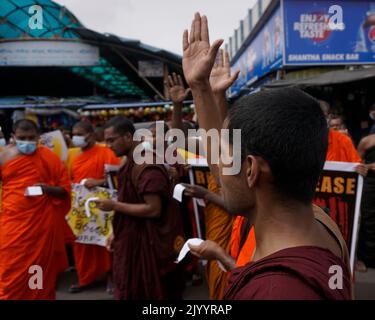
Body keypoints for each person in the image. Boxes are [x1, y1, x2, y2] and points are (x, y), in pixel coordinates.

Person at [181, 13, 352, 299]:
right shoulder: (320, 222)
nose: (219, 168)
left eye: (227, 154)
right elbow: (226, 175)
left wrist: (221, 255)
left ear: (250, 170)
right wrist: (202, 90)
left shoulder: (274, 289)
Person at [96, 116, 185, 300]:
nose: (109, 146)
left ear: (128, 137)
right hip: (132, 239)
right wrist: (116, 233)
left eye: (112, 140)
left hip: (149, 245)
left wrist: (114, 206)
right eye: (106, 141)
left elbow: (154, 209)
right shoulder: (130, 163)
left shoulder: (146, 166)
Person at [0, 119, 71, 299]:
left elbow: (64, 190)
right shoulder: (3, 157)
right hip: (12, 224)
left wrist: (46, 188)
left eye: (31, 138)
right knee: (9, 268)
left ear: (38, 137)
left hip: (40, 226)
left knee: (38, 269)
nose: (27, 142)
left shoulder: (48, 157)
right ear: (13, 137)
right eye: (22, 138)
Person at [68, 121, 120, 293]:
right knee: (82, 244)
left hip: (103, 206)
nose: (76, 137)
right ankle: (86, 278)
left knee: (106, 243)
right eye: (74, 133)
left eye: (80, 134)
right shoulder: (75, 158)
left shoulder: (106, 153)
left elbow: (117, 177)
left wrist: (98, 182)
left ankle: (111, 277)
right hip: (82, 208)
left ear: (90, 135)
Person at [356, 133, 375, 271]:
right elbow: (356, 164)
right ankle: (363, 259)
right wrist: (368, 166)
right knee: (368, 220)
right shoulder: (366, 141)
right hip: (370, 184)